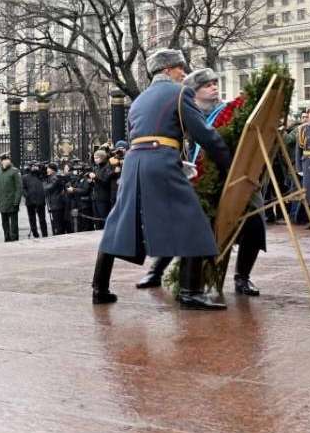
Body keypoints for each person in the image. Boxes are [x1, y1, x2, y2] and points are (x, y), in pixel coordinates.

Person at [92, 49, 231, 310]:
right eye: (180, 68)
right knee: (193, 222)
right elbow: (204, 134)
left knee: (119, 222)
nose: (184, 73)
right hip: (161, 162)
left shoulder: (139, 100)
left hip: (134, 163)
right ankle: (190, 292)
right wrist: (228, 161)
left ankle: (99, 288)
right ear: (167, 70)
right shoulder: (181, 93)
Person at [0, 153, 22, 242]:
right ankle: (7, 237)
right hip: (2, 202)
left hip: (12, 201)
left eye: (7, 159)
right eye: (3, 160)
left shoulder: (15, 171)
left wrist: (16, 201)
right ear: (1, 161)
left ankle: (14, 238)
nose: (5, 161)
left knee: (14, 223)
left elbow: (19, 187)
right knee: (4, 222)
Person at [91, 149, 118, 230]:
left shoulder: (107, 167)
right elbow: (96, 184)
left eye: (97, 158)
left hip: (104, 198)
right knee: (97, 220)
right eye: (95, 158)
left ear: (102, 158)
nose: (95, 160)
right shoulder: (96, 168)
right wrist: (91, 181)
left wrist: (95, 178)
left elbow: (105, 182)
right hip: (96, 197)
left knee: (104, 219)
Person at [22, 163, 48, 238]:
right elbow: (23, 188)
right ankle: (35, 233)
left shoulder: (41, 175)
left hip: (40, 201)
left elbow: (46, 174)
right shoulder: (25, 177)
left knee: (42, 219)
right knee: (32, 219)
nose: (34, 168)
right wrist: (27, 195)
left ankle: (45, 234)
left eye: (35, 166)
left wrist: (41, 168)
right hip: (30, 202)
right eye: (32, 166)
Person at [44, 163, 68, 236]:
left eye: (48, 168)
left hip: (57, 203)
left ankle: (60, 236)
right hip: (55, 203)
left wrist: (43, 183)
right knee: (57, 223)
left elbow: (49, 188)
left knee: (58, 223)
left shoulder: (55, 177)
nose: (47, 170)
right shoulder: (52, 176)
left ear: (53, 170)